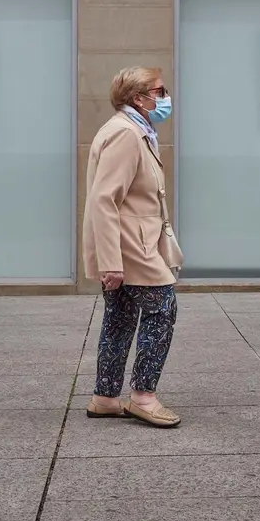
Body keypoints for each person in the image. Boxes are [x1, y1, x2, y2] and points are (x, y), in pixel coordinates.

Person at [82, 66, 182, 428]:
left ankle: (106, 397)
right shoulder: (126, 134)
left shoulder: (135, 130)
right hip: (131, 247)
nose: (165, 97)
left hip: (129, 243)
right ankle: (144, 397)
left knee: (120, 317)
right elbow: (105, 200)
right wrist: (112, 262)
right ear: (138, 98)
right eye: (159, 91)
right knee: (162, 310)